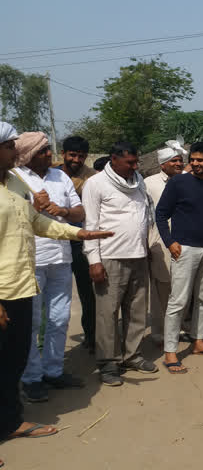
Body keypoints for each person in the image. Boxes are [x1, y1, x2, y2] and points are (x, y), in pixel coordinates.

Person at [1, 122, 112, 443]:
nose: (50, 154)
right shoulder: (22, 178)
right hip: (11, 280)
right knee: (19, 340)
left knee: (53, 323)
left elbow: (43, 221)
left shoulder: (17, 182)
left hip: (42, 268)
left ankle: (46, 377)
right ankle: (33, 380)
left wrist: (80, 232)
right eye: (11, 146)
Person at [14, 132, 88, 401]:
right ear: (28, 154)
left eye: (48, 149)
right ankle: (32, 377)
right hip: (30, 259)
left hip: (61, 256)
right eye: (43, 150)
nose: (49, 154)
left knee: (59, 318)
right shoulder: (15, 179)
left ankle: (54, 371)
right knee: (32, 322)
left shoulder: (61, 177)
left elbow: (80, 213)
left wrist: (63, 211)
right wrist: (33, 206)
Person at [82, 142, 158, 386]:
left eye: (136, 163)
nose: (135, 167)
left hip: (137, 255)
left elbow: (144, 216)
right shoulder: (95, 184)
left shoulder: (138, 181)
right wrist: (94, 260)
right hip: (110, 257)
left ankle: (132, 355)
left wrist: (145, 247)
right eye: (130, 163)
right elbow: (90, 225)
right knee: (107, 313)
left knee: (136, 310)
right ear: (113, 160)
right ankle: (108, 363)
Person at [156, 142, 203, 374]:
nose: (194, 164)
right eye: (192, 160)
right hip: (184, 249)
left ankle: (198, 341)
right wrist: (170, 242)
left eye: (200, 160)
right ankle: (170, 352)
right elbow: (161, 214)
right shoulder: (178, 183)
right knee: (178, 301)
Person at [56, 135, 98, 352]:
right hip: (53, 241)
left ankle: (92, 336)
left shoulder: (92, 177)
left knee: (88, 292)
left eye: (81, 156)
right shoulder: (52, 174)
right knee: (54, 298)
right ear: (63, 154)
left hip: (80, 242)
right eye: (73, 155)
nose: (77, 160)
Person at [145, 139, 187, 344]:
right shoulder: (149, 183)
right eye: (174, 161)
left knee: (181, 287)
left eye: (180, 160)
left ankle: (177, 329)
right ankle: (159, 332)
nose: (178, 164)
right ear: (163, 164)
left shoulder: (188, 181)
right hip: (159, 242)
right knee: (161, 288)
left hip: (185, 240)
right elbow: (144, 215)